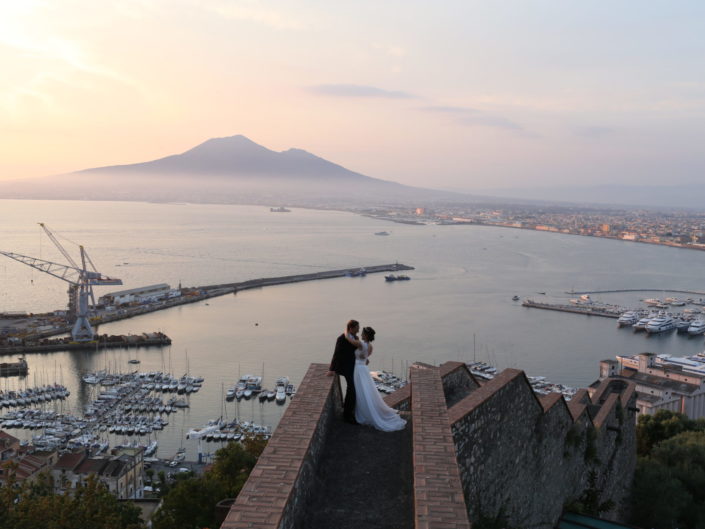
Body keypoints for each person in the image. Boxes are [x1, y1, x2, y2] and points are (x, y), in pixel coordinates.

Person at [345, 327, 406, 432]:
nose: (361, 334)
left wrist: (346, 332)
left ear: (366, 336)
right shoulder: (370, 346)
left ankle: (360, 412)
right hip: (364, 368)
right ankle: (364, 409)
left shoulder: (361, 344)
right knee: (366, 391)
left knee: (360, 391)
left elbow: (349, 340)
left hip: (358, 370)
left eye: (363, 333)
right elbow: (365, 358)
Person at [328, 319, 360, 424]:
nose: (358, 330)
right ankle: (347, 415)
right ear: (351, 328)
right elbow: (336, 354)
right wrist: (332, 369)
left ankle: (349, 412)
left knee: (352, 390)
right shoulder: (341, 339)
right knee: (351, 389)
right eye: (357, 328)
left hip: (353, 367)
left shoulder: (355, 338)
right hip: (346, 368)